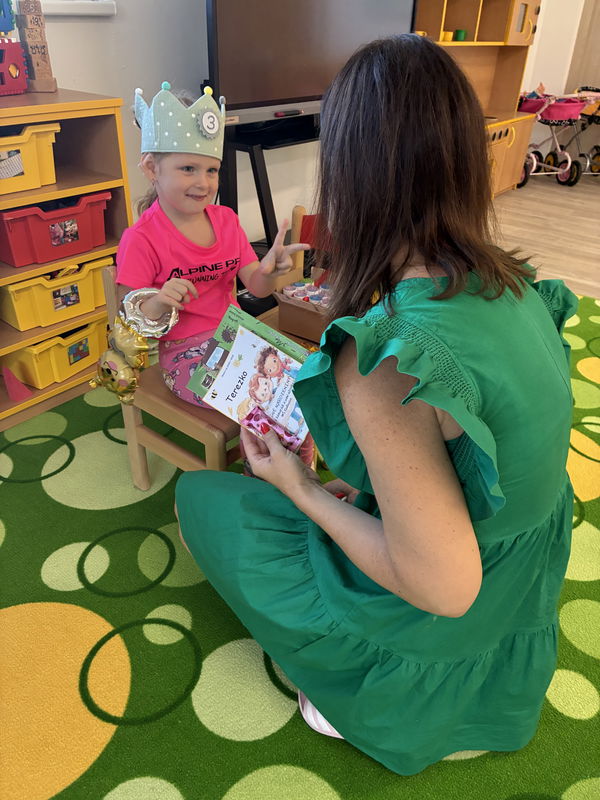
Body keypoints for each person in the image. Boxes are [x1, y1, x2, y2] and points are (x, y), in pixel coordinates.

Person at [175, 35, 576, 775]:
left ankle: (355, 692)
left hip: (437, 610)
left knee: (202, 500)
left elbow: (445, 587)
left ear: (350, 174)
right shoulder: (515, 284)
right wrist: (364, 493)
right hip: (515, 581)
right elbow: (478, 464)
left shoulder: (387, 355)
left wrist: (301, 489)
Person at [115, 81, 313, 462]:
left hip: (240, 339)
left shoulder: (225, 220)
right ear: (152, 168)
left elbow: (255, 285)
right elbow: (130, 321)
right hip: (183, 357)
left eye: (211, 170)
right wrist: (158, 301)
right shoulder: (141, 239)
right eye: (188, 168)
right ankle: (273, 486)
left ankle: (296, 479)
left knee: (305, 382)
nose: (203, 182)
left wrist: (271, 270)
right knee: (266, 407)